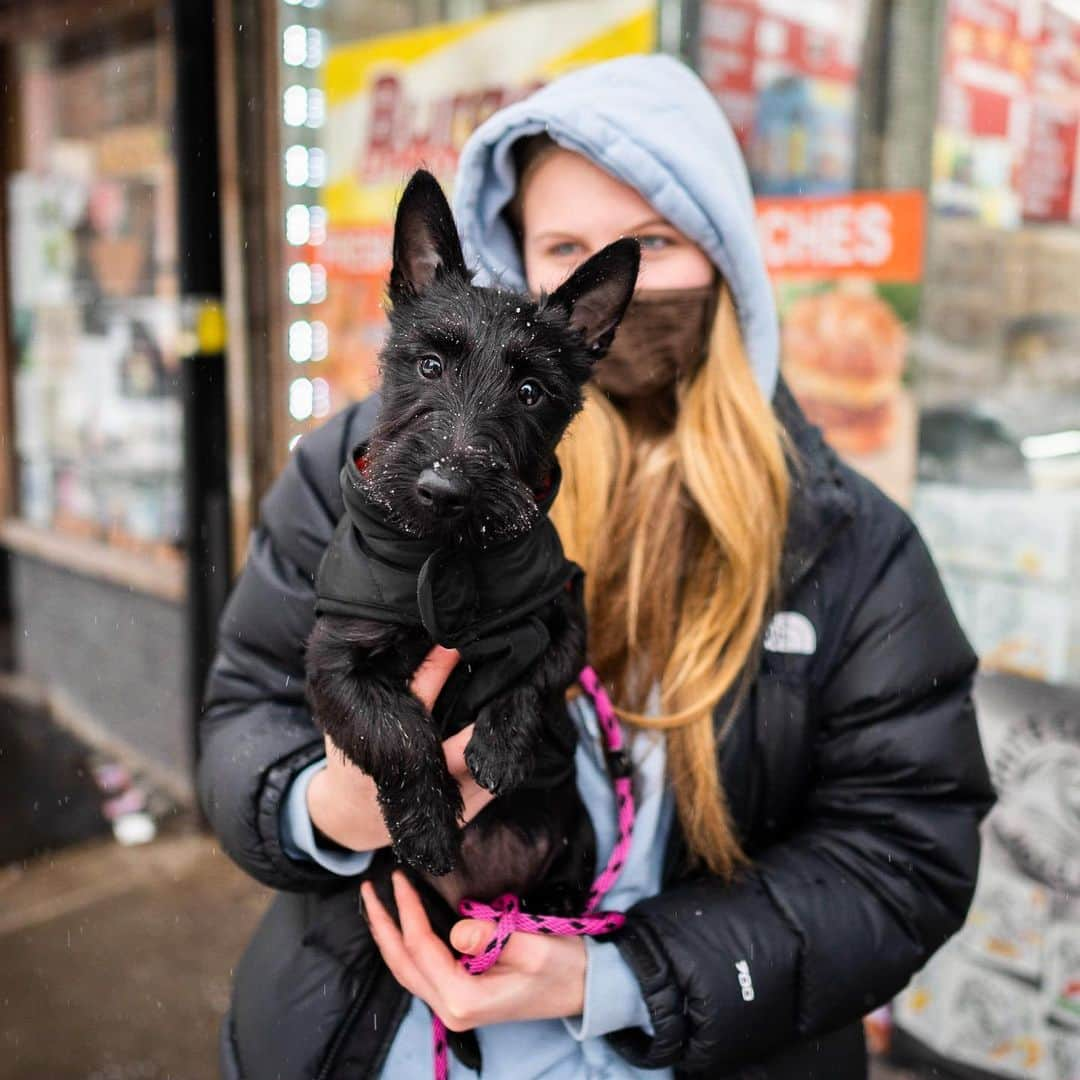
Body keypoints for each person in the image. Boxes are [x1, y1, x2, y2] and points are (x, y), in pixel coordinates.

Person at [201, 54, 995, 1080]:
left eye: (654, 240)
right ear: (519, 264)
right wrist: (323, 807)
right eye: (561, 243)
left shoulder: (849, 542)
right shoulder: (359, 476)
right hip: (373, 1035)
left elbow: (904, 855)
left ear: (725, 261)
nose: (617, 274)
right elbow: (241, 720)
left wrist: (621, 978)